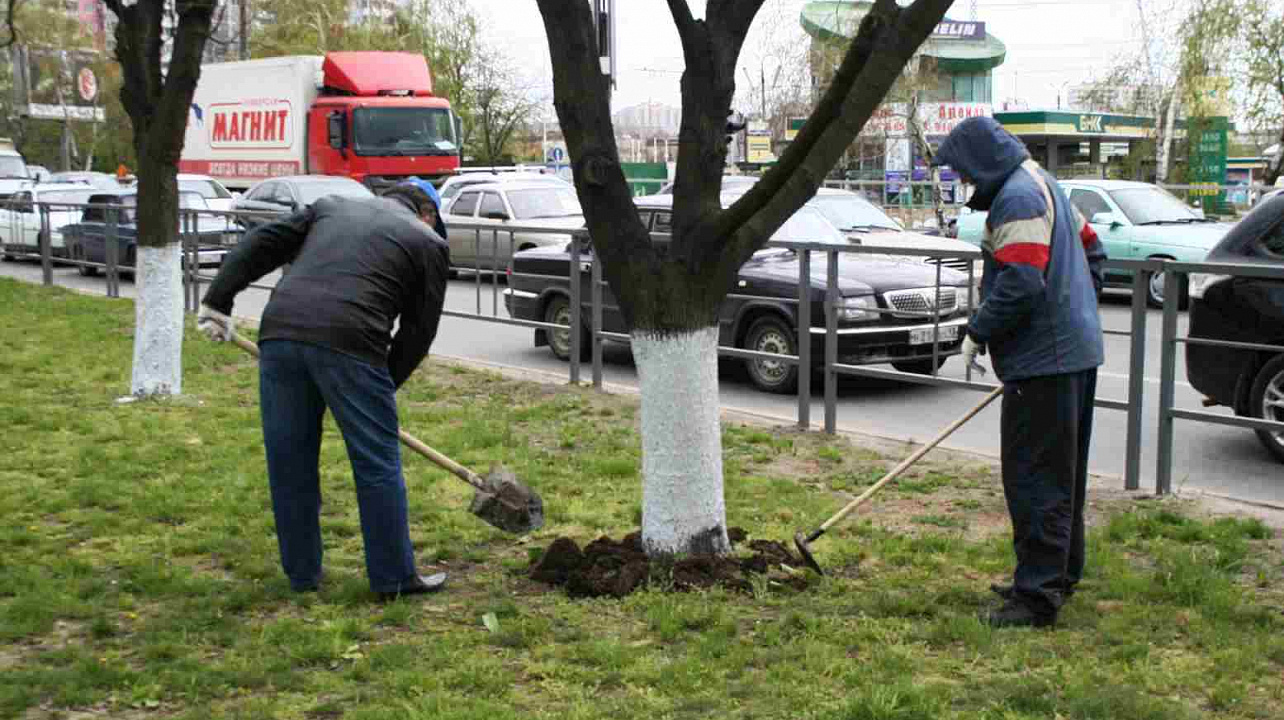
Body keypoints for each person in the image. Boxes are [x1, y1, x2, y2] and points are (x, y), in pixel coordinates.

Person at [196, 182, 452, 601]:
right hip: (351, 341)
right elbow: (418, 334)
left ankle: (302, 575)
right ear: (428, 214)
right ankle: (393, 578)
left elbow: (262, 242)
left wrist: (218, 300)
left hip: (279, 335)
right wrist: (381, 387)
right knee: (376, 464)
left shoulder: (330, 208)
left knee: (289, 460)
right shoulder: (427, 242)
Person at [932, 117, 1107, 628]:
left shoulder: (1017, 197)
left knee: (1035, 479)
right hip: (1071, 354)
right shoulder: (1045, 184)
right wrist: (1077, 309)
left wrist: (978, 331)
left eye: (965, 173)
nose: (965, 184)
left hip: (1045, 363)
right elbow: (1093, 249)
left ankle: (1035, 600)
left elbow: (1021, 282)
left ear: (984, 162)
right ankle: (1056, 575)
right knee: (1062, 476)